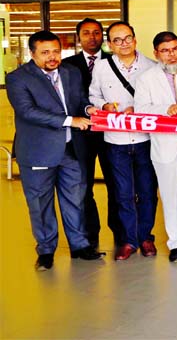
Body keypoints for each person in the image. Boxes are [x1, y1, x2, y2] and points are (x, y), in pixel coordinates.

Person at [6, 30, 106, 270]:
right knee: (41, 204)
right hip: (38, 151)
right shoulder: (18, 78)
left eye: (56, 51)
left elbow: (79, 100)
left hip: (71, 149)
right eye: (45, 52)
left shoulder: (70, 72)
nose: (52, 57)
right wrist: (70, 120)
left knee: (75, 199)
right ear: (32, 53)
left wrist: (89, 108)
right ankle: (46, 250)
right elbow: (27, 111)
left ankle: (79, 246)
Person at [89, 21, 159, 261]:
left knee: (147, 191)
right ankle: (128, 240)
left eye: (127, 38)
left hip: (146, 139)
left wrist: (139, 108)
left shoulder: (152, 66)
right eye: (117, 40)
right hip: (115, 140)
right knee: (122, 193)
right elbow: (93, 95)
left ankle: (146, 237)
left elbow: (159, 100)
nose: (123, 43)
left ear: (135, 39)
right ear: (110, 44)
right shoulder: (101, 68)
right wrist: (103, 105)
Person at [134, 32, 177, 262]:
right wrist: (166, 108)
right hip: (167, 144)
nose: (171, 55)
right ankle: (176, 244)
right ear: (156, 54)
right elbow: (141, 109)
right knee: (171, 196)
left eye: (175, 49)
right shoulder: (146, 78)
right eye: (165, 50)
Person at [62, 18, 120, 249]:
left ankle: (120, 230)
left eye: (96, 33)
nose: (92, 37)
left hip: (110, 133)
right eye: (86, 33)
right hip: (80, 134)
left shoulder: (114, 61)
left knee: (116, 183)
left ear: (103, 37)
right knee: (83, 184)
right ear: (79, 37)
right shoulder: (67, 65)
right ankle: (90, 233)